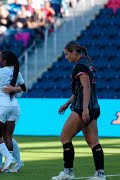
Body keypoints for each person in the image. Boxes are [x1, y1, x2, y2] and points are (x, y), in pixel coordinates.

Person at [52, 41, 105, 180]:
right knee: (93, 142)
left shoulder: (79, 66)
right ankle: (100, 175)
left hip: (83, 108)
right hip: (94, 107)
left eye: (67, 54)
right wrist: (66, 103)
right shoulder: (87, 63)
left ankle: (68, 173)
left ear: (74, 52)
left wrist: (85, 108)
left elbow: (86, 87)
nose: (66, 57)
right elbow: (81, 89)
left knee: (64, 137)